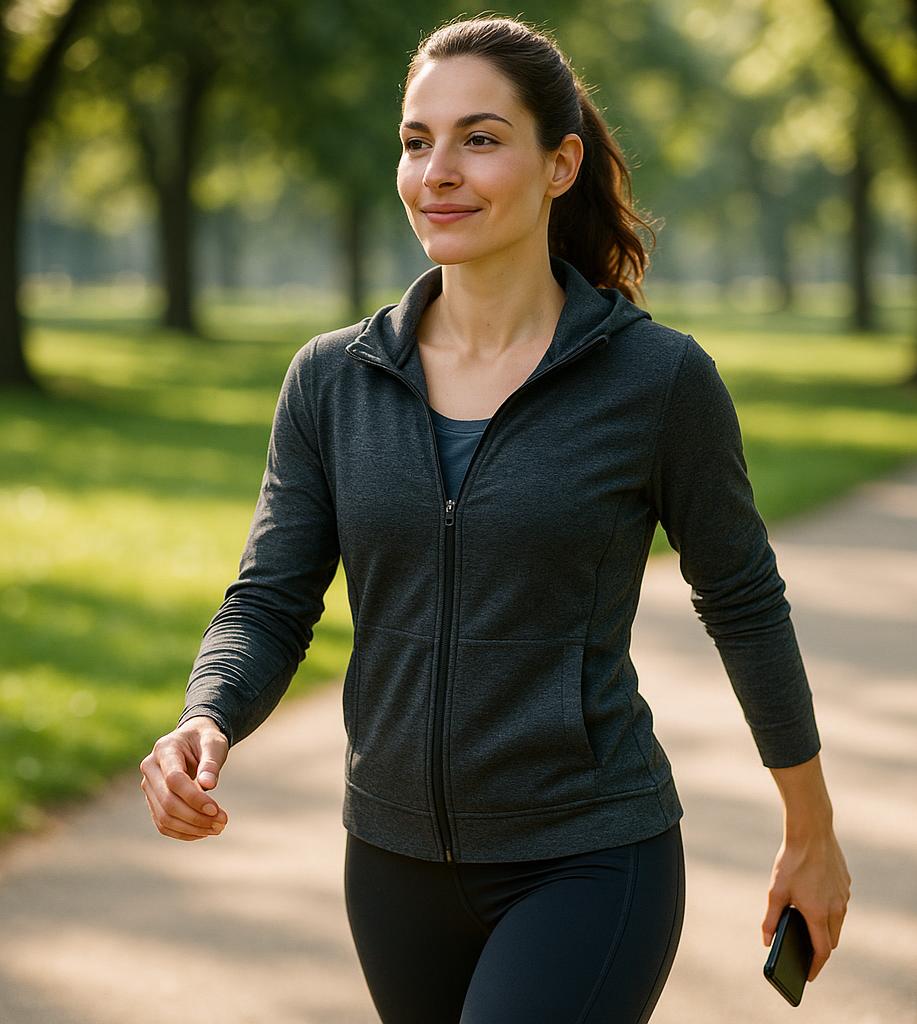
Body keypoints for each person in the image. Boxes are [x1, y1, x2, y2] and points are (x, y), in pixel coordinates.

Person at [139, 13, 851, 1023]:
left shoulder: (655, 382)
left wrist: (809, 828)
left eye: (479, 138)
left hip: (589, 855)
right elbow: (269, 597)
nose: (438, 170)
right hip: (388, 863)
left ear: (560, 164)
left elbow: (742, 600)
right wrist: (205, 714)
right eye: (417, 140)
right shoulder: (332, 381)